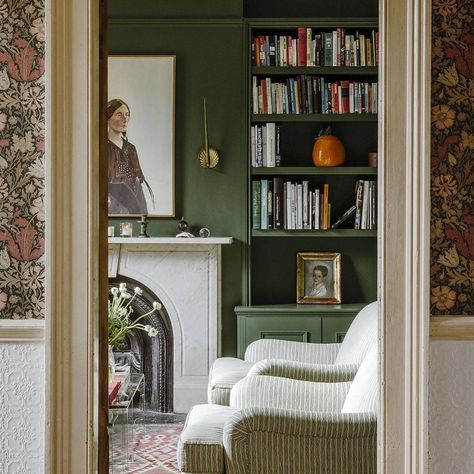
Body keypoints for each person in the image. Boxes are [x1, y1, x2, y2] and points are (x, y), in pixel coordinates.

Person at [107, 98, 154, 215]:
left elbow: (138, 180)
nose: (125, 119)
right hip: (113, 203)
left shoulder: (131, 149)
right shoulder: (102, 147)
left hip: (136, 201)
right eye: (119, 114)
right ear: (108, 117)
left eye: (127, 115)